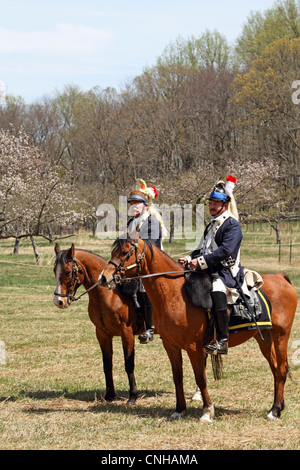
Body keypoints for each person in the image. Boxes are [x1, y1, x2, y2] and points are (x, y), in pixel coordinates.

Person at [179, 176, 245, 355]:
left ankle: (222, 339)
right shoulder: (211, 225)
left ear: (225, 205)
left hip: (226, 271)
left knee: (216, 289)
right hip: (210, 268)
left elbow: (225, 251)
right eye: (211, 203)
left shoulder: (232, 225)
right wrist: (188, 257)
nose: (212, 206)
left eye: (217, 203)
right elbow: (202, 248)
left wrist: (200, 262)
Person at [127, 179, 167, 344]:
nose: (134, 206)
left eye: (137, 203)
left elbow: (152, 248)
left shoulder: (152, 222)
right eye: (131, 203)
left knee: (143, 289)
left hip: (151, 264)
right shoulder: (130, 222)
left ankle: (150, 328)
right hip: (133, 263)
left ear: (145, 205)